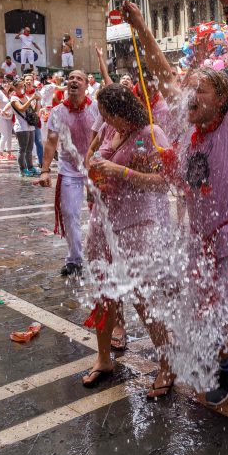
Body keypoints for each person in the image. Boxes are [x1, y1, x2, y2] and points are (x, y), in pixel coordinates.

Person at [124, 0, 228, 434]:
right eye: (189, 91)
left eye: (199, 92)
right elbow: (160, 73)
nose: (188, 97)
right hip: (204, 243)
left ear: (221, 101)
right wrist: (140, 26)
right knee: (210, 315)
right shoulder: (190, 129)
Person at [79, 84, 176, 395]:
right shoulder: (111, 130)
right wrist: (93, 179)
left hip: (137, 225)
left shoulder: (151, 134)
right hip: (104, 223)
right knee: (104, 293)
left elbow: (164, 182)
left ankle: (167, 364)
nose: (104, 120)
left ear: (122, 111)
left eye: (108, 114)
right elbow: (95, 160)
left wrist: (118, 171)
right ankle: (104, 358)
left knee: (142, 297)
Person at [38, 70, 100, 277]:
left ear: (85, 86)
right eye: (71, 78)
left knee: (100, 214)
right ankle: (74, 259)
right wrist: (45, 171)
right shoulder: (57, 112)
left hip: (94, 168)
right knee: (70, 213)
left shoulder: (96, 108)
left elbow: (106, 136)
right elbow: (51, 142)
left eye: (79, 79)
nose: (73, 81)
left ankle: (101, 252)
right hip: (69, 169)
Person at [7, 78, 39, 176]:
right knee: (22, 149)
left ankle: (30, 167)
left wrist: (37, 101)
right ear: (15, 88)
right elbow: (21, 108)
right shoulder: (14, 98)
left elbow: (33, 110)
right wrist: (31, 99)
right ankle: (22, 169)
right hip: (21, 127)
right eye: (20, 86)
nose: (22, 88)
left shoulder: (25, 96)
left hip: (30, 126)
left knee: (30, 148)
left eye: (23, 86)